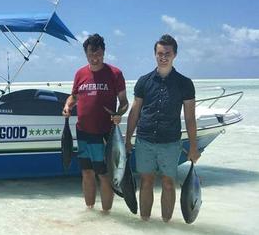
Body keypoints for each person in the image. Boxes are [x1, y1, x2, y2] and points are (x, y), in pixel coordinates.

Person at [125, 34, 200, 222]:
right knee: (146, 181)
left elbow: (190, 118)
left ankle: (166, 224)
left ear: (174, 55)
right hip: (145, 140)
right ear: (154, 54)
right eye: (159, 53)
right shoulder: (144, 81)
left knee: (168, 183)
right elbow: (135, 112)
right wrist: (127, 139)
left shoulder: (184, 83)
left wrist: (193, 147)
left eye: (167, 53)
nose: (163, 57)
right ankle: (145, 222)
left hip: (171, 142)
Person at [62, 34, 128, 212]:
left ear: (104, 52)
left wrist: (119, 114)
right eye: (91, 55)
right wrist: (68, 106)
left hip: (105, 134)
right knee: (87, 172)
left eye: (98, 54)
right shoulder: (80, 74)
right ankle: (89, 211)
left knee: (105, 175)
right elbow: (74, 97)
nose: (95, 58)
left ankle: (106, 214)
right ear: (86, 54)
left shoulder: (115, 73)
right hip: (83, 132)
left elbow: (124, 102)